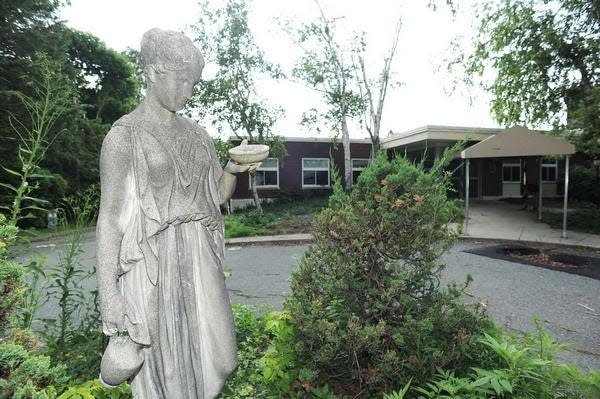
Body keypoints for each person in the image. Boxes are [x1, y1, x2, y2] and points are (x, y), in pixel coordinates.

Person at [96, 28, 252, 398]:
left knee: (222, 357)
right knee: (165, 371)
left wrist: (231, 169)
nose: (188, 92)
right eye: (181, 81)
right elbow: (111, 218)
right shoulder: (123, 137)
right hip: (152, 262)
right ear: (152, 72)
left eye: (193, 84)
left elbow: (215, 195)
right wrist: (109, 293)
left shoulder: (198, 134)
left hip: (198, 255)